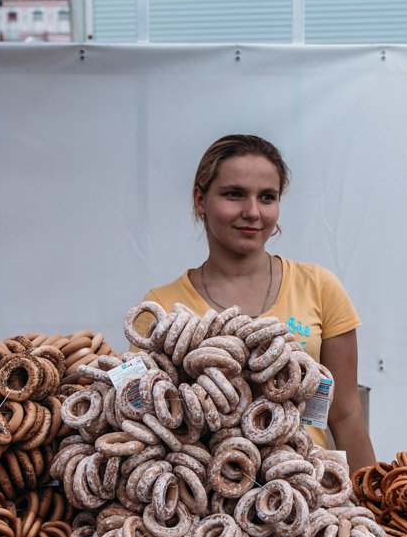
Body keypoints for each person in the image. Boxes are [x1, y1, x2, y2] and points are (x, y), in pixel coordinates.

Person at [137, 134, 377, 473]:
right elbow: (145, 418)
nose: (252, 212)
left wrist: (373, 503)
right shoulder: (162, 307)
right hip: (207, 503)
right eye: (234, 194)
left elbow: (346, 411)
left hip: (310, 493)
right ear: (200, 199)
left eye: (267, 197)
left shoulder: (320, 288)